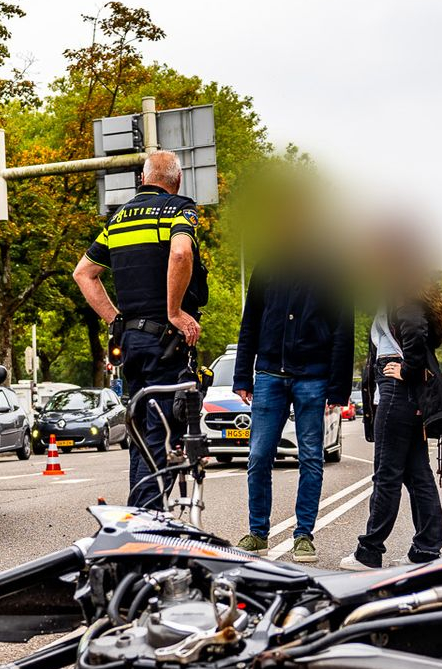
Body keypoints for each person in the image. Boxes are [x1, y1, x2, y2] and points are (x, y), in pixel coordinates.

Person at [73, 150, 206, 510]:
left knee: (141, 432)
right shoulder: (180, 209)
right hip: (166, 342)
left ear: (143, 180)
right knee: (163, 433)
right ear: (177, 181)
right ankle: (151, 524)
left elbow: (83, 273)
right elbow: (180, 253)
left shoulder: (118, 220)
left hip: (131, 342)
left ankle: (139, 514)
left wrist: (116, 319)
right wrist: (175, 312)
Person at [228, 252, 354, 563]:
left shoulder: (334, 268)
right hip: (269, 374)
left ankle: (303, 535)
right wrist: (242, 374)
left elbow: (343, 330)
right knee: (258, 455)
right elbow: (251, 321)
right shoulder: (267, 264)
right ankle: (258, 533)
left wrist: (338, 388)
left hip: (313, 376)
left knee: (310, 456)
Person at [340, 272, 442, 571]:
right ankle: (427, 549)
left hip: (398, 392)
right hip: (402, 394)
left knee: (386, 474)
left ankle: (369, 552)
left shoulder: (403, 293)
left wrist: (405, 371)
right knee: (418, 475)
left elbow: (416, 333)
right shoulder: (398, 293)